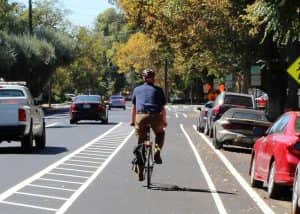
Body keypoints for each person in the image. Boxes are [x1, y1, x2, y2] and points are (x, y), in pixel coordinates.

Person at [130, 68, 167, 181]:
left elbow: (134, 108)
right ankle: (157, 152)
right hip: (155, 116)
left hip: (141, 117)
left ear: (143, 78)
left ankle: (140, 172)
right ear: (153, 78)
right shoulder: (159, 90)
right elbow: (163, 109)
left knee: (140, 144)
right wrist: (164, 121)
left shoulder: (137, 90)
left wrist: (132, 121)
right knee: (160, 133)